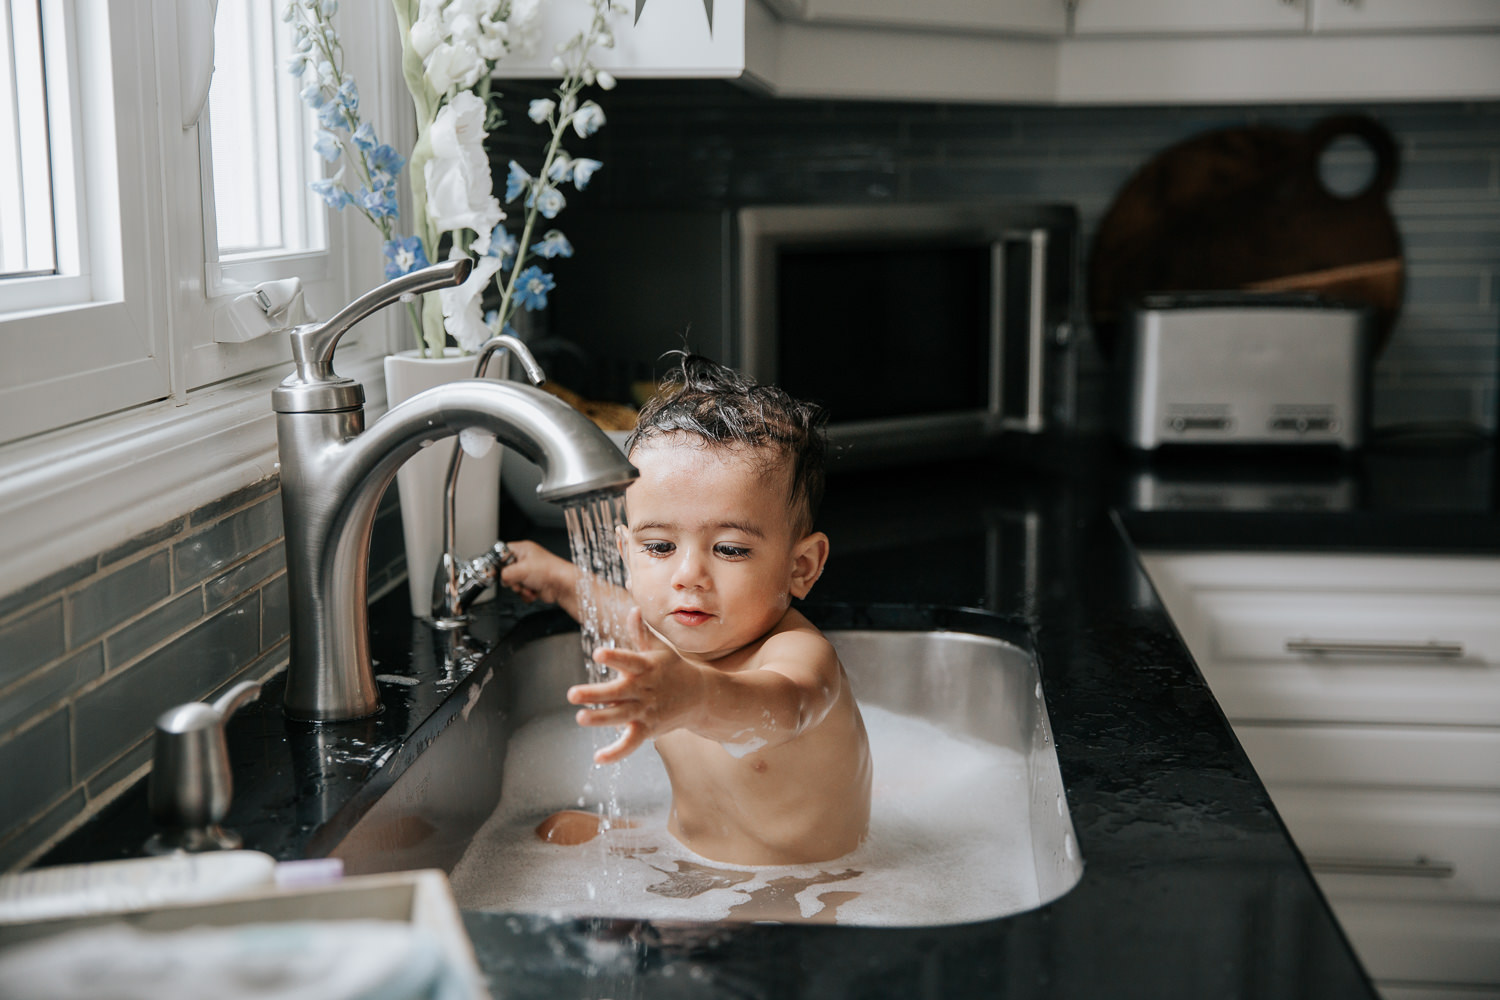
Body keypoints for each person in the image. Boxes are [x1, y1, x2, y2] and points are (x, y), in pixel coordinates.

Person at [499, 355, 872, 866]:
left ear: (801, 567)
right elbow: (622, 614)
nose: (688, 576)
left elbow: (786, 707)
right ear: (626, 553)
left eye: (730, 549)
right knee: (552, 830)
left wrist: (695, 696)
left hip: (797, 898)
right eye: (659, 547)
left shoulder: (798, 656)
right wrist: (562, 582)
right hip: (694, 870)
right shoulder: (678, 633)